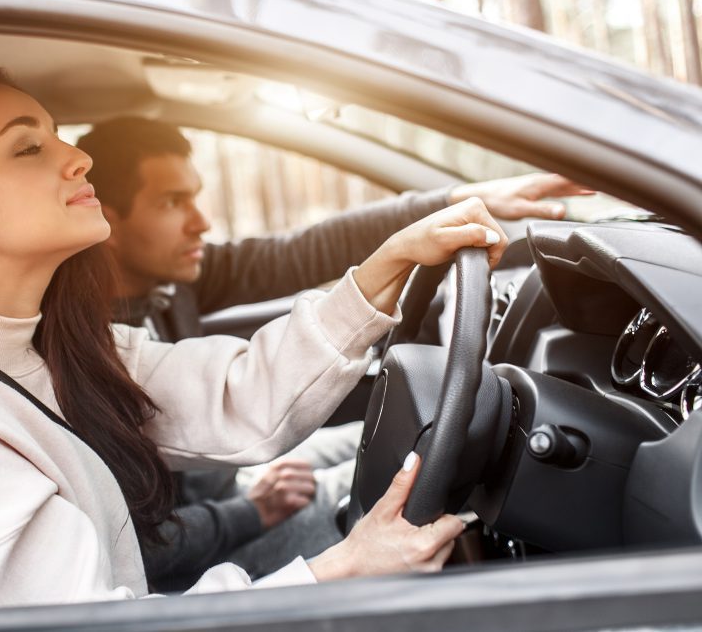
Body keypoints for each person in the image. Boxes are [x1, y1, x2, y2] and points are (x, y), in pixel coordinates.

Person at [0, 62, 509, 617]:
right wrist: (346, 566)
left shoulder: (48, 350)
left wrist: (391, 262)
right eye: (28, 146)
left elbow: (243, 396)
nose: (78, 157)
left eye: (58, 134)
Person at [76, 117, 591, 587]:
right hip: (208, 557)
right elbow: (143, 554)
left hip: (233, 486)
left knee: (384, 440)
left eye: (195, 197)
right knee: (431, 474)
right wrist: (253, 511)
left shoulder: (167, 283)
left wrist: (456, 202)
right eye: (171, 203)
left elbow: (305, 250)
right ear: (109, 222)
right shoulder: (82, 351)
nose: (201, 222)